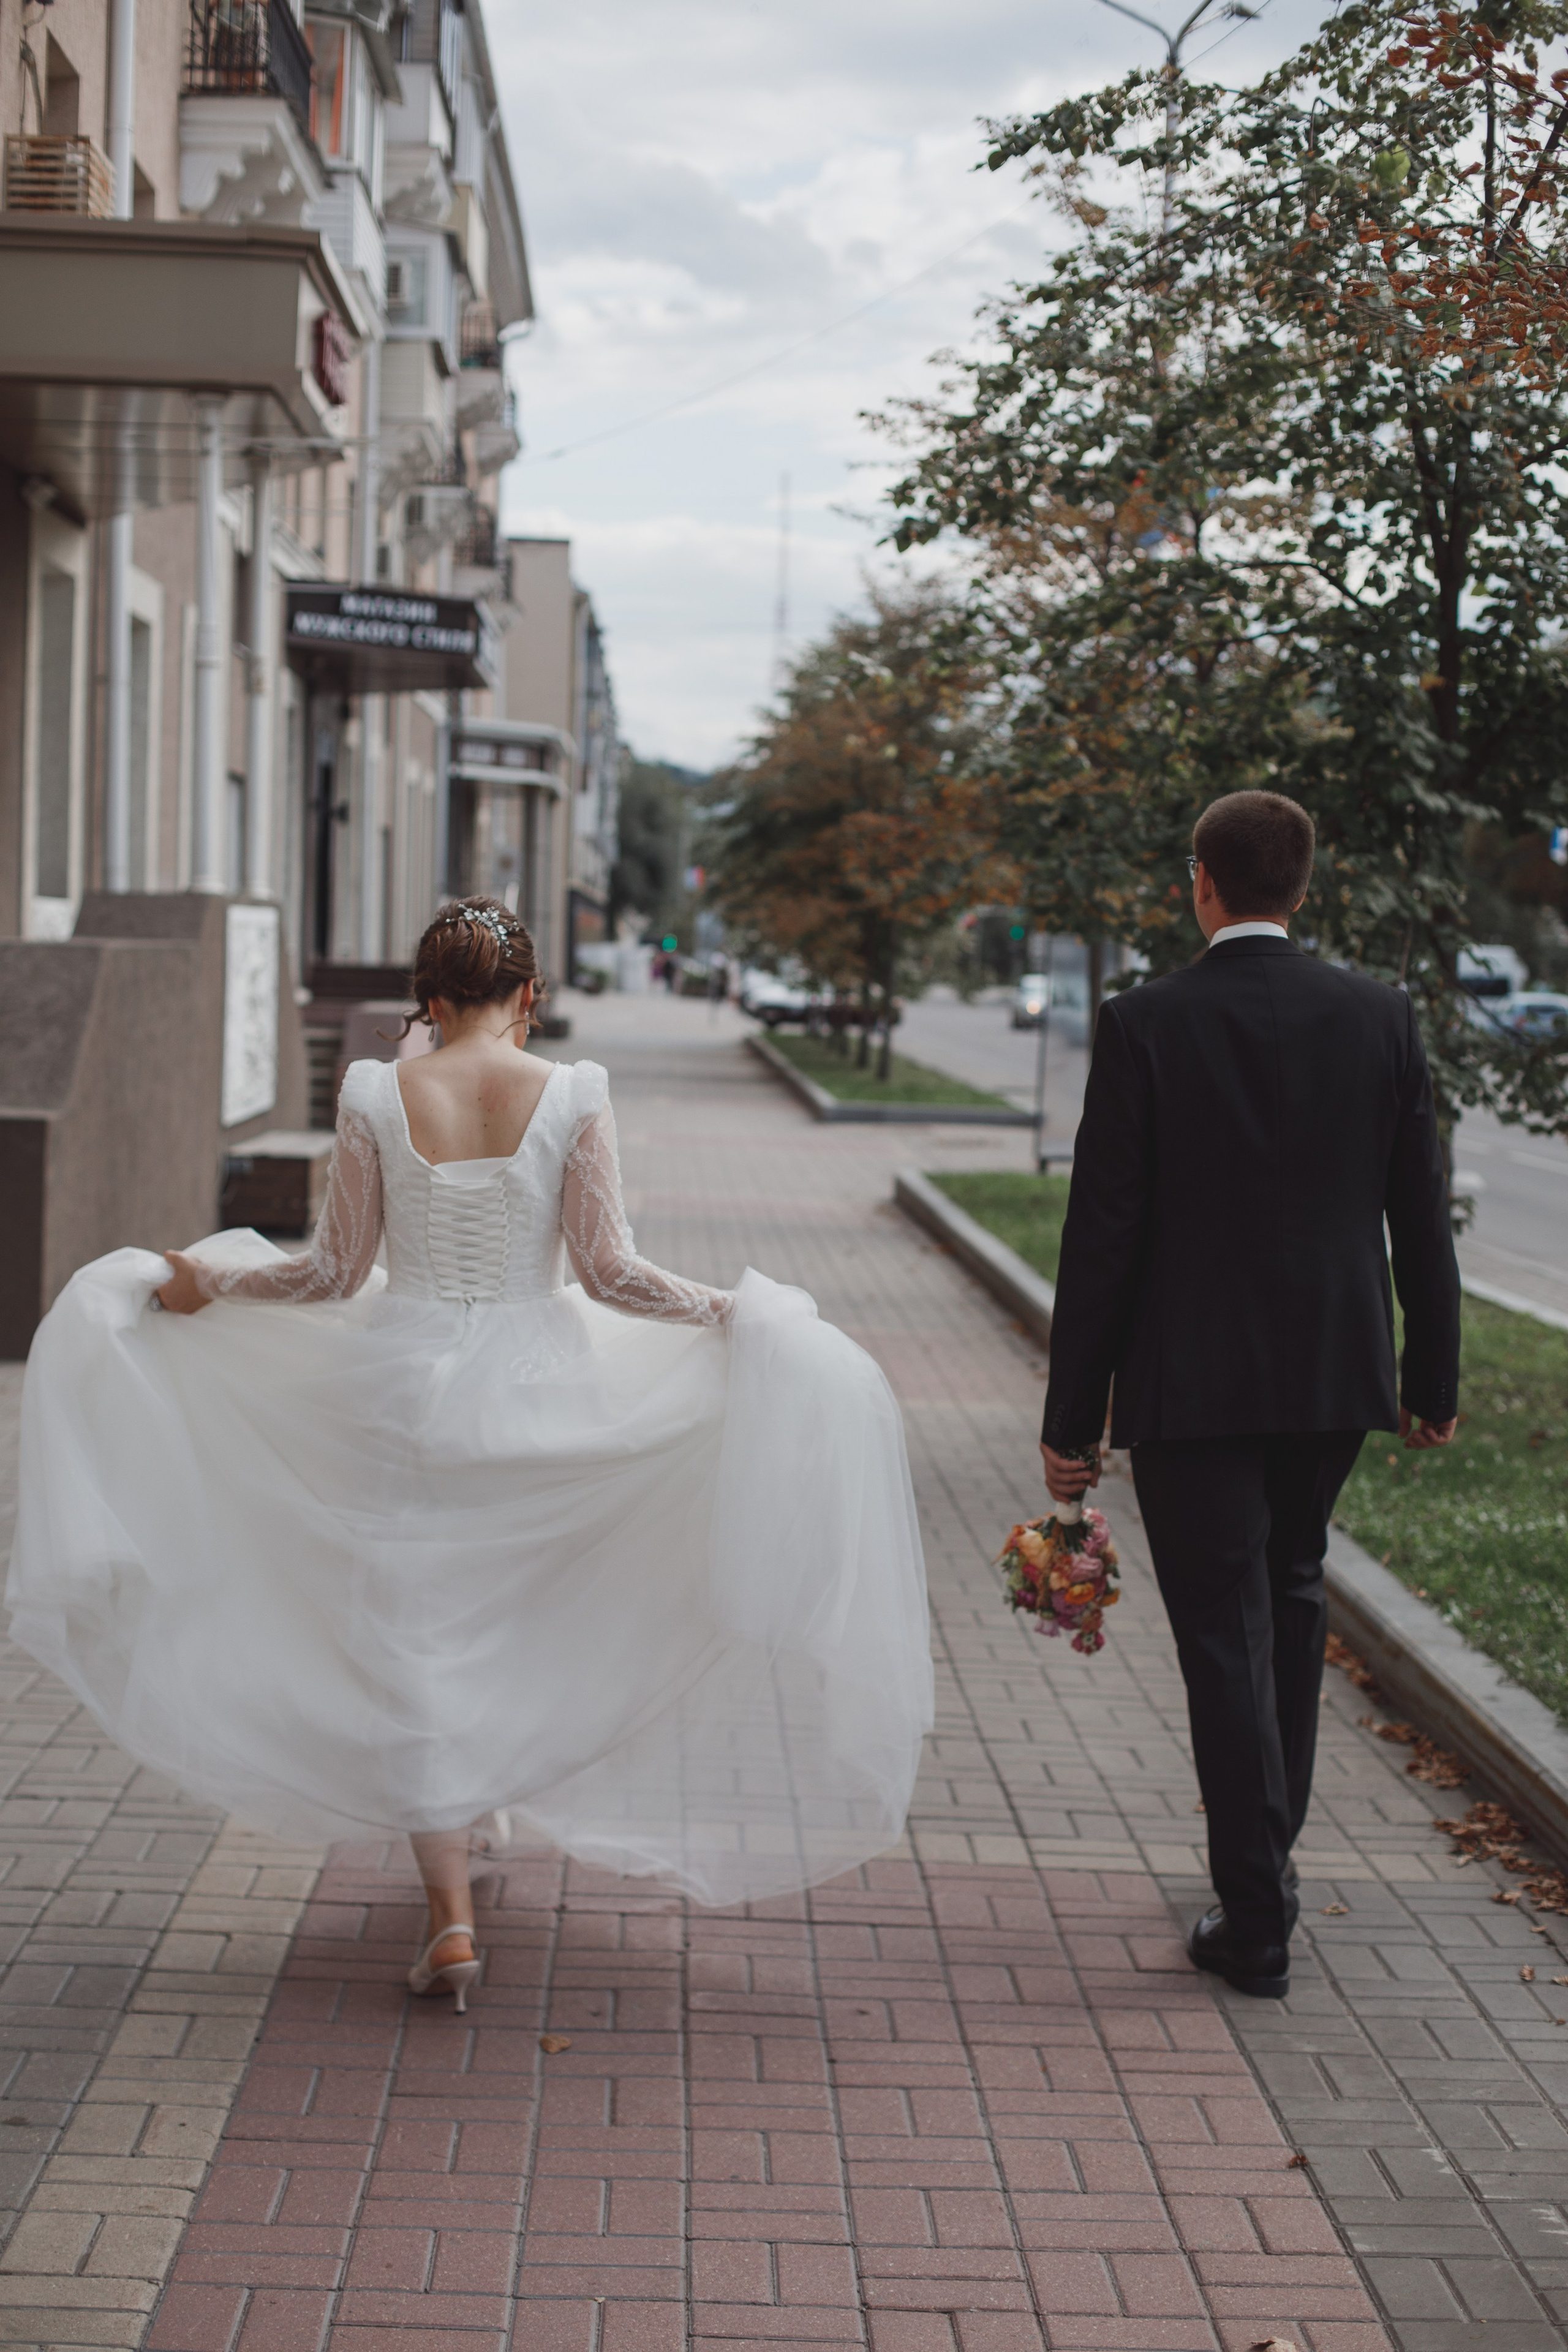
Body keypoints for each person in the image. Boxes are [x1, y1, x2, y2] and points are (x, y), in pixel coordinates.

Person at [10, 899, 932, 2013]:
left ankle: (449, 1916)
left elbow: (333, 1274)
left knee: (413, 1633)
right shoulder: (576, 1093)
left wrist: (216, 1284)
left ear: (430, 1000)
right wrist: (734, 1312)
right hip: (544, 1386)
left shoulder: (371, 1093)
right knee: (511, 1609)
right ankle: (474, 1811)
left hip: (400, 1391)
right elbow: (610, 1276)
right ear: (530, 996)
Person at [1039, 793, 1460, 2000]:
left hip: (1193, 1383)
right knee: (1284, 1600)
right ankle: (1259, 1865)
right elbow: (1415, 1220)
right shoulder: (1378, 1017)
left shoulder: (1144, 1024)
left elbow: (1101, 1234)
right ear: (1303, 886)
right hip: (1331, 1378)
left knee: (1223, 1633)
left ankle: (1256, 1913)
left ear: (1199, 885)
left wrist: (1072, 1419)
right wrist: (1429, 1379)